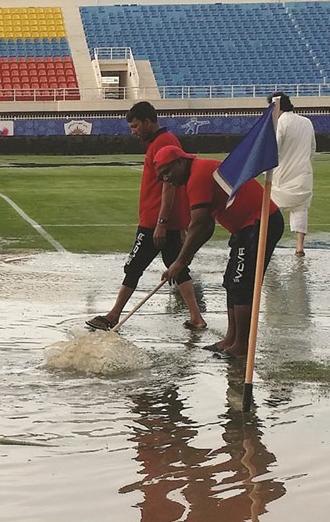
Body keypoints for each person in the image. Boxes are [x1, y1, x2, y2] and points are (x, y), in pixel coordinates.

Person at [87, 102, 206, 332]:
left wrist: (161, 223)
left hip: (155, 221)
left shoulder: (163, 143)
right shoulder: (161, 141)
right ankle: (196, 317)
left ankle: (113, 315)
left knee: (133, 267)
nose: (133, 131)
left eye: (135, 126)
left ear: (148, 122)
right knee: (178, 268)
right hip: (163, 219)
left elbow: (169, 185)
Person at [155, 148, 285, 360]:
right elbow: (206, 227)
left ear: (180, 162)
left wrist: (179, 263)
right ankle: (230, 339)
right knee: (231, 283)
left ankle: (241, 345)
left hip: (260, 222)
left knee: (242, 284)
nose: (164, 178)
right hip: (245, 227)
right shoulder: (195, 173)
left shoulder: (198, 174)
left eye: (167, 171)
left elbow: (198, 224)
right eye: (160, 175)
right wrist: (184, 258)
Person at [269, 93, 315, 256]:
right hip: (303, 172)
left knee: (270, 209)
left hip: (282, 173)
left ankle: (268, 243)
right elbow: (312, 149)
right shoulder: (306, 122)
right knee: (300, 208)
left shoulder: (280, 122)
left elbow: (275, 148)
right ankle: (299, 246)